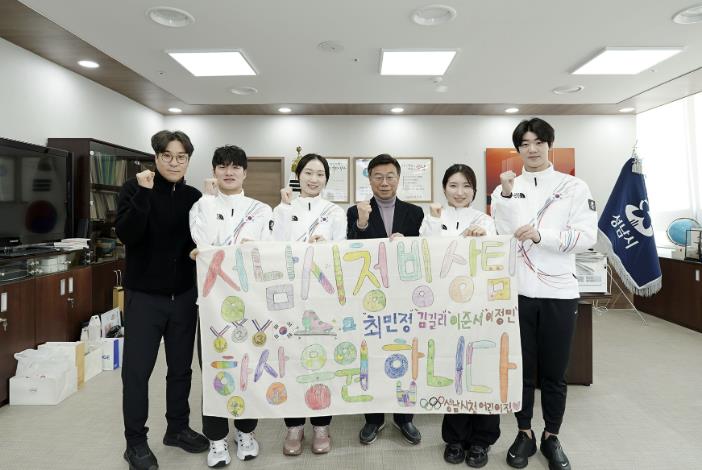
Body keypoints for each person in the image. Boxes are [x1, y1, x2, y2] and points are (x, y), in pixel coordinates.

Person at [490, 118, 597, 470]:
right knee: (521, 370)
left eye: (538, 142)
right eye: (524, 144)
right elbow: (501, 234)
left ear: (550, 144)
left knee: (554, 371)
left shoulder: (573, 186)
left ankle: (552, 436)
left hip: (560, 292)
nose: (532, 149)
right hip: (518, 291)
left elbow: (587, 237)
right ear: (517, 149)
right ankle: (524, 433)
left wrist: (541, 236)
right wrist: (506, 195)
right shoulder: (506, 188)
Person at [116, 130, 208, 470]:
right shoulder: (134, 189)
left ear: (188, 161)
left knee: (181, 369)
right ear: (156, 157)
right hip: (144, 298)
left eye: (181, 157)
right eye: (167, 156)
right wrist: (143, 193)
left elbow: (203, 241)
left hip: (183, 296)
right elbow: (128, 233)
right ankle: (135, 443)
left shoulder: (194, 197)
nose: (174, 162)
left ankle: (177, 428)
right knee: (137, 373)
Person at [189, 145, 272, 467]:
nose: (229, 172)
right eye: (222, 166)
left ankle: (246, 432)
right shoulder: (201, 206)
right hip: (212, 302)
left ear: (245, 172)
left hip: (250, 304)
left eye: (235, 167)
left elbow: (267, 252)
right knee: (216, 369)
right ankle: (216, 439)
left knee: (247, 367)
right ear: (214, 171)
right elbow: (204, 243)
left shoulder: (261, 210)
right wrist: (210, 201)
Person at [420, 164, 500, 468]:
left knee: (481, 368)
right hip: (446, 307)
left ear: (474, 190)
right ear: (444, 188)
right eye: (453, 185)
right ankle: (454, 437)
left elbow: (495, 259)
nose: (460, 192)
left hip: (480, 307)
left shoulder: (485, 220)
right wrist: (439, 224)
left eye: (466, 186)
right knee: (453, 367)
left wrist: (482, 238)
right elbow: (427, 256)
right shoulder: (432, 217)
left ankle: (482, 439)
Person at [271, 153, 346, 456]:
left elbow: (342, 252)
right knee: (291, 360)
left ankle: (321, 425)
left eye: (320, 174)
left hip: (322, 298)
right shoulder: (283, 208)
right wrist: (284, 210)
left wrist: (326, 248)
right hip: (290, 298)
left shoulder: (335, 212)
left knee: (321, 361)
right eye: (308, 173)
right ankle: (294, 426)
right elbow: (273, 250)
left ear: (326, 178)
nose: (314, 179)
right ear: (298, 176)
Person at [346, 153, 424, 446]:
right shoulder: (355, 211)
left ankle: (405, 418)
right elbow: (348, 251)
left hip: (404, 297)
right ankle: (373, 418)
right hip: (370, 297)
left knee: (406, 352)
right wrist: (363, 223)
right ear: (369, 180)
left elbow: (424, 253)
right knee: (372, 356)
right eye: (378, 177)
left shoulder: (415, 213)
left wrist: (408, 245)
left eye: (390, 176)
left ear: (398, 178)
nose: (384, 182)